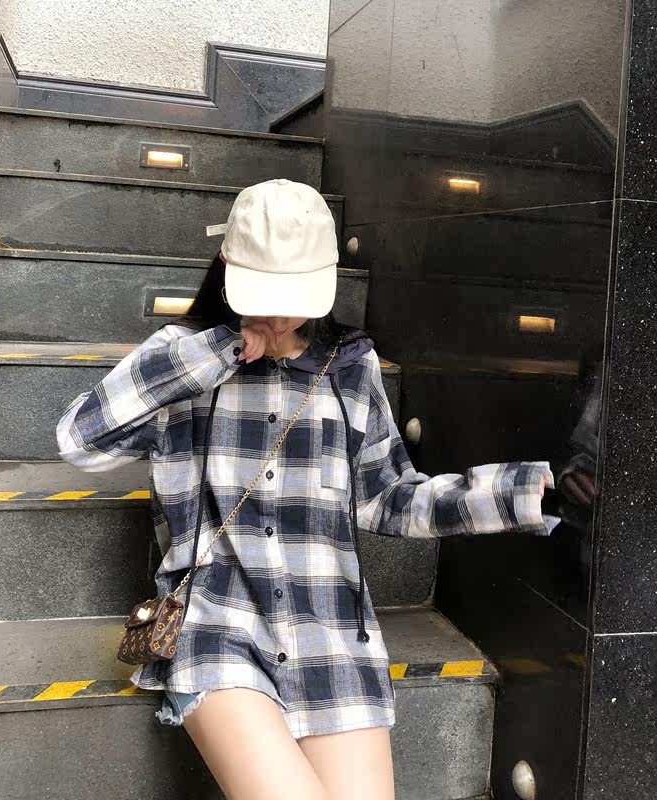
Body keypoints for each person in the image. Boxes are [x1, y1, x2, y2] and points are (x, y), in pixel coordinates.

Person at [55, 178, 554, 800]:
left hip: (330, 631)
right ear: (227, 267)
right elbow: (80, 440)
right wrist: (217, 352)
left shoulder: (350, 367)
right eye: (263, 292)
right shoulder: (184, 358)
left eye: (293, 296)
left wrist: (519, 494)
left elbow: (389, 498)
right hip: (217, 625)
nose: (278, 315)